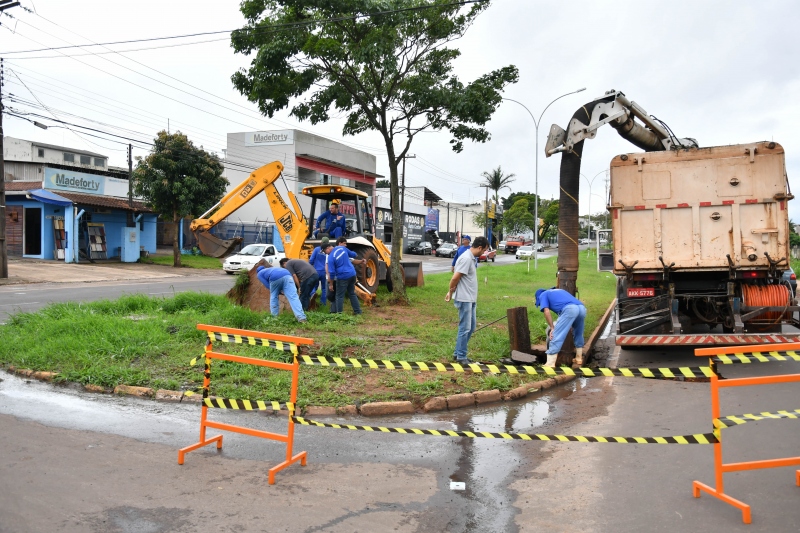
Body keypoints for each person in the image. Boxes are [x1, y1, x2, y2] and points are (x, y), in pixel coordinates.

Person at [445, 236, 489, 364]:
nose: (484, 253)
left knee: (471, 327)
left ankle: (457, 352)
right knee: (465, 328)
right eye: (484, 250)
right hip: (464, 298)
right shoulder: (465, 258)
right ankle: (461, 357)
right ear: (479, 247)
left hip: (470, 298)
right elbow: (455, 278)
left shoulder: (471, 258)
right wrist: (450, 291)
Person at [535, 288, 587, 368]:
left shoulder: (543, 295)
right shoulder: (559, 291)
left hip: (570, 309)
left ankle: (550, 364)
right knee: (578, 333)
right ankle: (578, 358)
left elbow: (546, 311)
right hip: (581, 308)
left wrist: (552, 327)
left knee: (556, 335)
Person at [327, 237, 366, 315]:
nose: (345, 245)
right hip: (352, 274)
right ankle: (358, 311)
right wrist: (359, 258)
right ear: (339, 243)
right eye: (344, 243)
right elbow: (354, 255)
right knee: (352, 293)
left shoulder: (331, 257)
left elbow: (331, 272)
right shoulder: (343, 250)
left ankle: (339, 315)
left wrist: (331, 284)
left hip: (342, 277)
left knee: (339, 296)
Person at [309, 237, 331, 306]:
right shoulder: (329, 251)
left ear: (321, 242)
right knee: (324, 288)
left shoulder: (316, 249)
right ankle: (323, 303)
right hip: (325, 272)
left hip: (316, 271)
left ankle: (312, 294)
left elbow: (311, 260)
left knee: (314, 286)